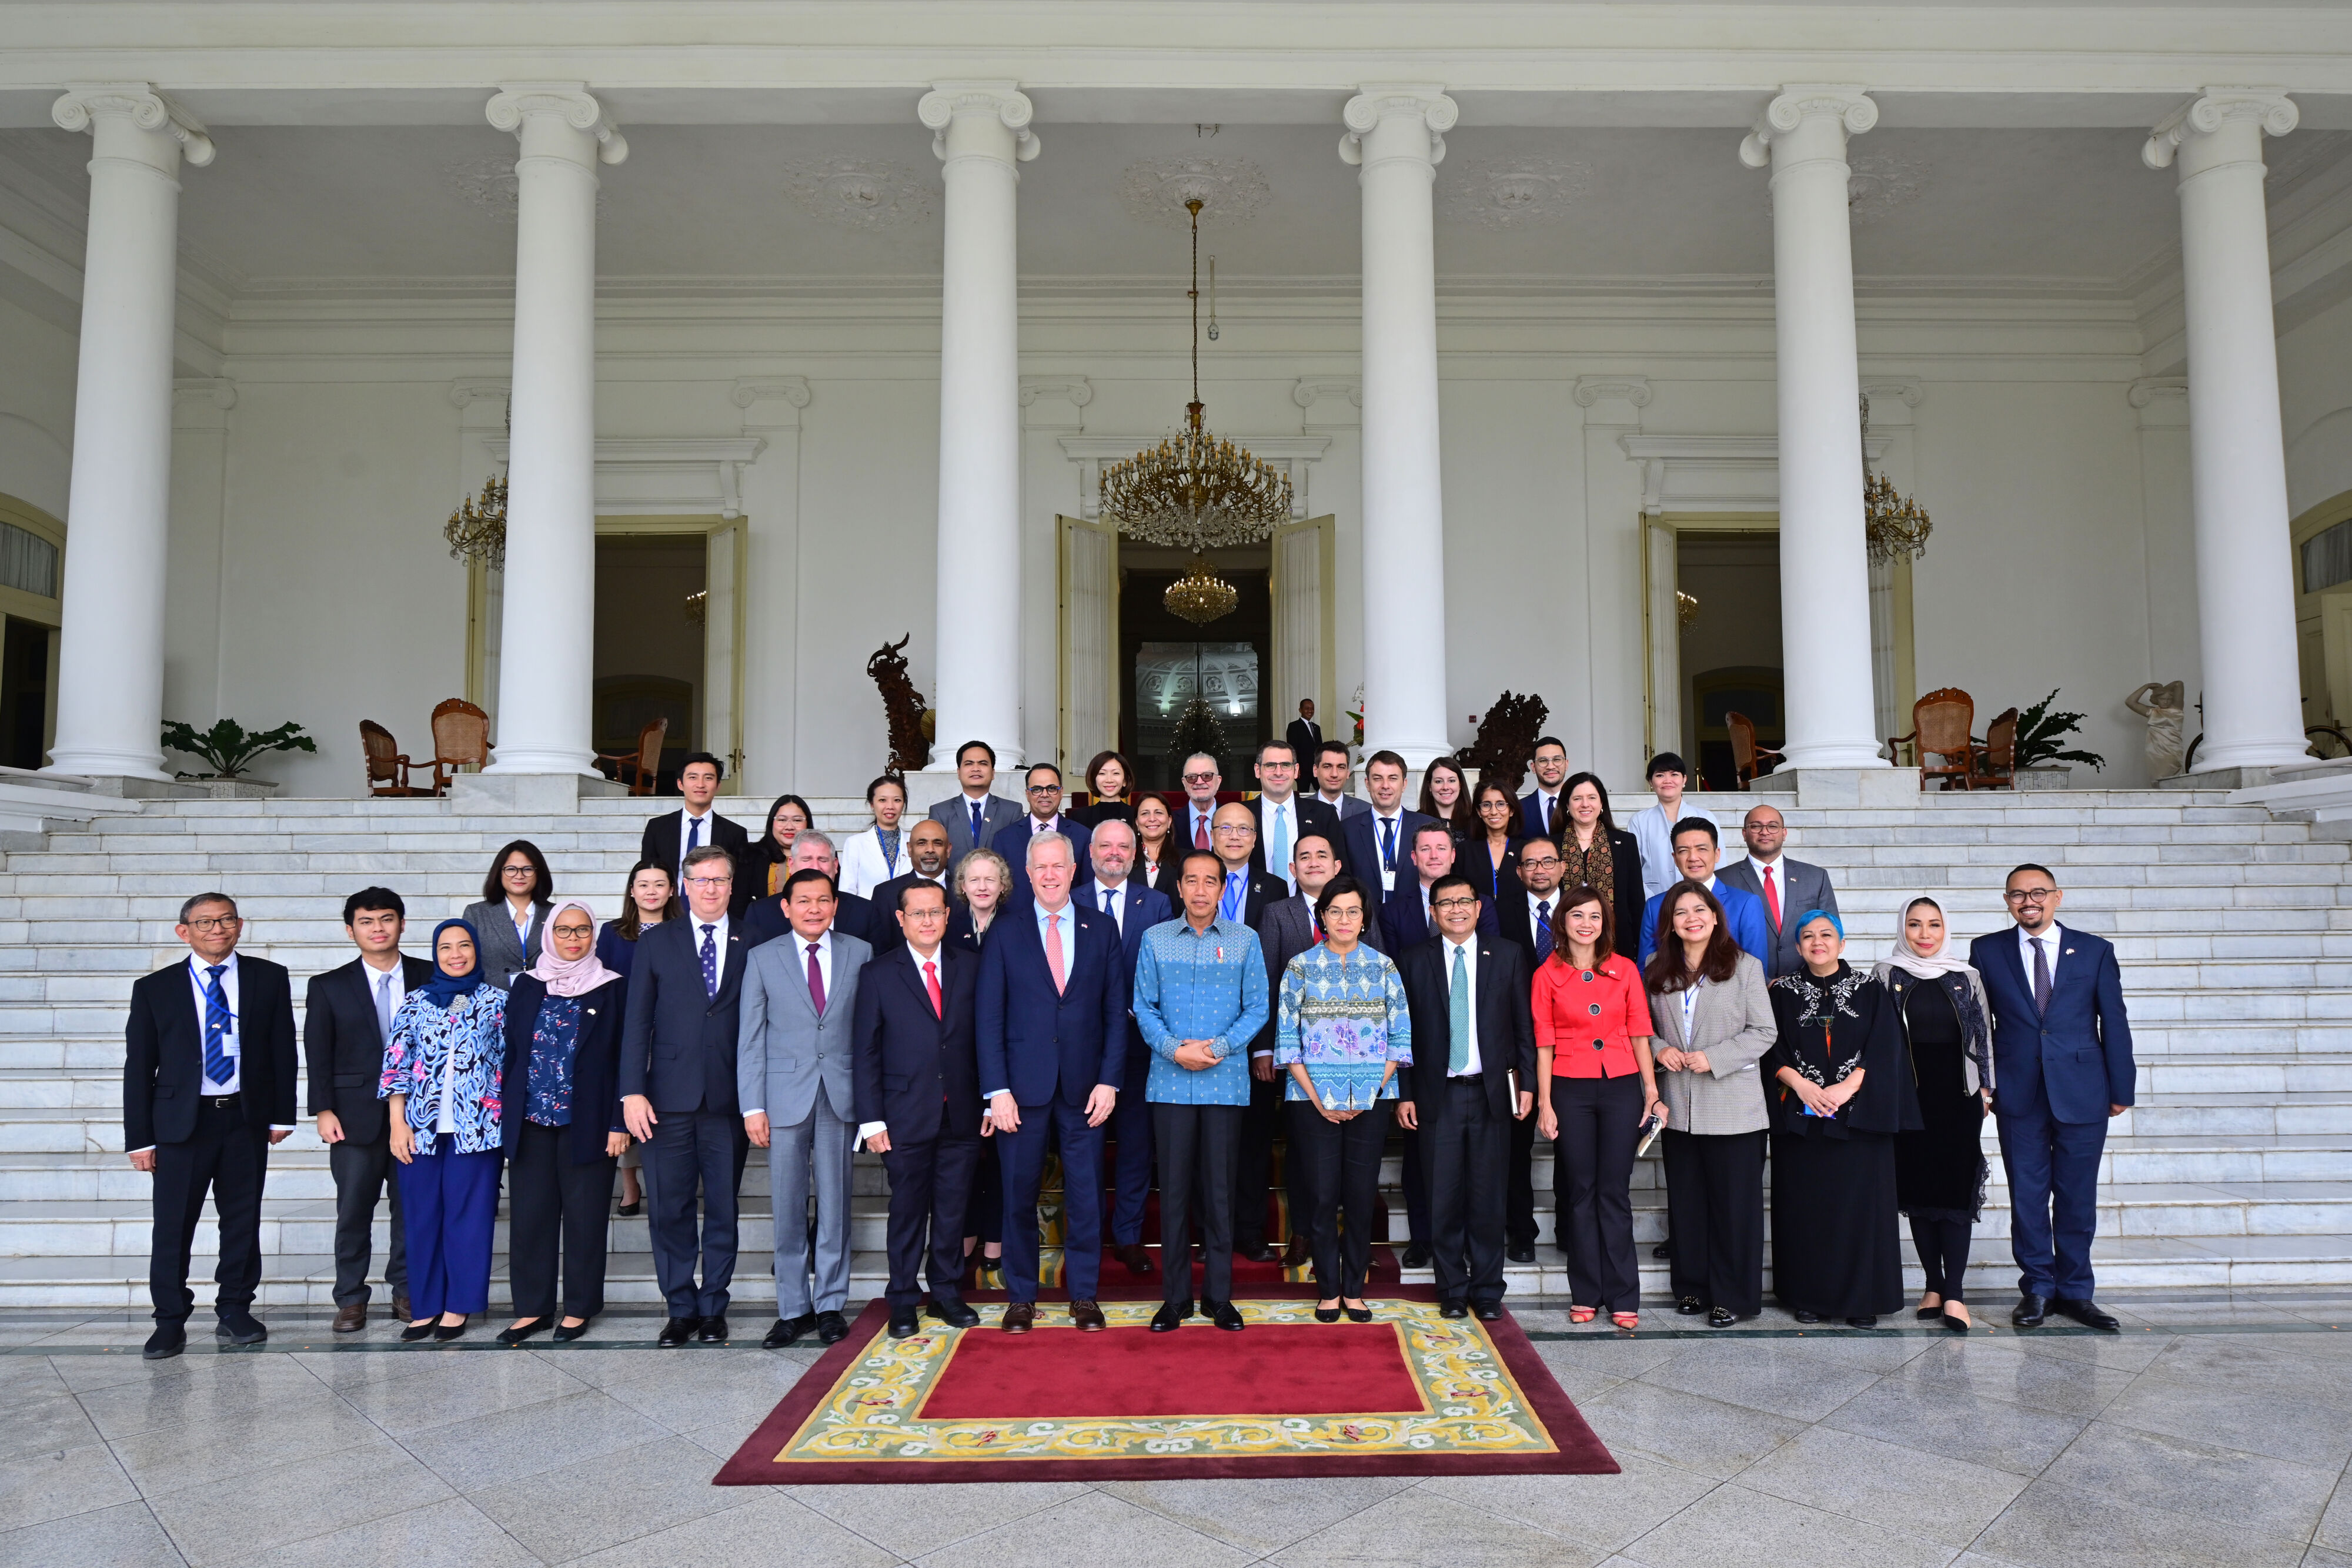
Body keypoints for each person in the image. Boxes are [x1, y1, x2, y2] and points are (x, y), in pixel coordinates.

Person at [126, 892, 296, 1360]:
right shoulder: (155, 988)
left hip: (245, 1116)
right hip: (182, 1124)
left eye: (225, 919)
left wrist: (283, 1113)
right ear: (185, 931)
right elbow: (139, 1067)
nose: (216, 928)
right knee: (173, 1225)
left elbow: (283, 1048)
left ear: (240, 924)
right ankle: (168, 1319)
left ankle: (236, 1309)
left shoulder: (268, 977)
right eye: (204, 921)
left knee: (242, 1219)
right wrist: (140, 1138)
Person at [1970, 864, 2134, 1332]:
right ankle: (2038, 1287)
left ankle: (2078, 1292)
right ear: (2007, 901)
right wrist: (1984, 1083)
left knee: (2077, 1196)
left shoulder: (2095, 950)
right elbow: (1979, 1023)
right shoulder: (1987, 950)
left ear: (2057, 897)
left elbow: (2114, 1021)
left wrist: (2122, 1086)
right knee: (2028, 1195)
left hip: (2084, 1089)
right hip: (2018, 1090)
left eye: (2038, 892)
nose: (2029, 901)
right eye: (2018, 894)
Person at [975, 832, 1125, 1332]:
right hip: (1021, 1090)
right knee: (1018, 1194)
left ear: (1073, 868)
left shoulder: (1102, 929)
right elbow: (988, 1017)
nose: (1049, 875)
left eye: (1057, 866)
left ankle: (1083, 1295)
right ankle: (1021, 1296)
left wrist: (1110, 1081)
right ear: (1029, 873)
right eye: (1039, 867)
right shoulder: (1005, 931)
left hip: (1086, 1090)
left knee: (1085, 1195)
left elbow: (1114, 1015)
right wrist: (996, 1091)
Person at [619, 844, 750, 1348]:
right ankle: (680, 1307)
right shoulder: (657, 942)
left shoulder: (752, 937)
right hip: (665, 1099)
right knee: (668, 1208)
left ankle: (714, 1306)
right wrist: (632, 1091)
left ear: (731, 885)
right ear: (684, 886)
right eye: (701, 880)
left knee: (722, 1207)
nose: (711, 889)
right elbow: (636, 1021)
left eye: (720, 880)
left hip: (729, 1097)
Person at [1135, 851, 1272, 1331]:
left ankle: (1219, 1296)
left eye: (1209, 881)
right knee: (1173, 1194)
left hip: (1224, 1081)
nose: (1199, 890)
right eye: (1190, 880)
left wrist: (1216, 1047)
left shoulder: (1244, 940)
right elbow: (1143, 1006)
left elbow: (1258, 1007)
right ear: (1179, 887)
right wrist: (1177, 1050)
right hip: (1171, 1082)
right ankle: (1175, 1300)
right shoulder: (1155, 939)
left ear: (1221, 888)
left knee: (1219, 1193)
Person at [1765, 911, 1919, 1328]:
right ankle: (1808, 1295)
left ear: (1842, 943)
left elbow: (1887, 1048)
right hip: (1802, 1119)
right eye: (1809, 936)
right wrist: (1802, 1085)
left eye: (1827, 934)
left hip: (1859, 1119)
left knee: (1861, 1209)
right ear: (1797, 948)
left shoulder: (1870, 989)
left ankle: (1862, 1297)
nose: (1818, 942)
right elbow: (1769, 1049)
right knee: (1806, 1209)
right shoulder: (1783, 993)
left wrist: (1846, 1087)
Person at [1394, 872, 1535, 1320]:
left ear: (1478, 908)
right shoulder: (1414, 960)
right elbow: (1403, 1035)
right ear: (1433, 912)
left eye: (1464, 901)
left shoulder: (1508, 955)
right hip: (1439, 1096)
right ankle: (1452, 1287)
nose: (1456, 909)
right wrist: (1405, 1093)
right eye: (1445, 903)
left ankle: (1489, 1289)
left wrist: (1527, 1085)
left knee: (1489, 1195)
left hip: (1494, 1093)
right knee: (1444, 1196)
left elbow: (1523, 1029)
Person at [741, 867, 870, 1349]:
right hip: (782, 1097)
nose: (814, 908)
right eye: (804, 900)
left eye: (823, 899)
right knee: (787, 1205)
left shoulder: (860, 952)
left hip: (841, 1093)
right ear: (786, 906)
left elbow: (869, 1031)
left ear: (834, 905)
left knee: (836, 1203)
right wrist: (752, 1105)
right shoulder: (761, 957)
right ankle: (793, 1308)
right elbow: (750, 1039)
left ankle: (831, 1303)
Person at [1274, 874, 1409, 1321]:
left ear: (1364, 917)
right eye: (1335, 911)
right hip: (1313, 1103)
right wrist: (1319, 1098)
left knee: (1360, 1193)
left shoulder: (1384, 967)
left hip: (1370, 1100)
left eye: (1353, 910)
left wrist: (1369, 1092)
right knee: (1321, 1194)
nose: (1345, 919)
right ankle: (1327, 1288)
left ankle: (1354, 1289)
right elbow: (1287, 1042)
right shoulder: (1300, 967)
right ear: (1322, 917)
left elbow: (1401, 1038)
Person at [853, 880, 984, 1338]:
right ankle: (903, 1298)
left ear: (949, 916)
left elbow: (985, 1038)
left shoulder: (971, 966)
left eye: (935, 912)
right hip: (903, 1114)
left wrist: (989, 1098)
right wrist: (871, 1119)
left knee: (952, 1210)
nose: (927, 921)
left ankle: (946, 1292)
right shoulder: (878, 973)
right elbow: (865, 1051)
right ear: (901, 919)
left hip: (962, 1112)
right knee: (908, 1211)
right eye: (918, 914)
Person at [1645, 881, 1775, 1327]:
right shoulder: (1656, 968)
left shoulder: (1745, 967)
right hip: (1679, 1106)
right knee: (1688, 1204)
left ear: (1716, 917)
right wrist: (1660, 1048)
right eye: (1681, 912)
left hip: (1734, 1108)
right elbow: (1642, 1028)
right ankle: (1692, 1288)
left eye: (1699, 909)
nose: (1691, 918)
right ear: (1671, 924)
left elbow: (1764, 1031)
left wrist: (1714, 1058)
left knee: (1733, 1209)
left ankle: (1731, 1296)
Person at [498, 900, 627, 1343]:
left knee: (585, 1218)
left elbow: (623, 1060)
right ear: (549, 934)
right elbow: (512, 1054)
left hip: (588, 1122)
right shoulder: (526, 986)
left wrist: (619, 1120)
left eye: (583, 930)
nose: (573, 939)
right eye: (565, 930)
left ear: (594, 935)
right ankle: (532, 1309)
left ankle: (578, 1307)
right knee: (530, 1219)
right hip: (531, 1120)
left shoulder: (611, 987)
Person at [1532, 884, 1659, 1329]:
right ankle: (1585, 1292)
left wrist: (1651, 1089)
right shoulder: (1546, 974)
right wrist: (1545, 1103)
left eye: (1595, 917)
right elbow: (1543, 1043)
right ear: (1562, 923)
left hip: (1621, 1084)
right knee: (1581, 1192)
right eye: (1577, 916)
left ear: (1604, 924)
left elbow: (1641, 1031)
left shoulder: (1625, 970)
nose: (1586, 924)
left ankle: (1624, 1295)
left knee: (1614, 1191)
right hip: (1570, 1088)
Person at [306, 887, 432, 1332]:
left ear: (402, 923)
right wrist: (323, 1109)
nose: (377, 928)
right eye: (366, 921)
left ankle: (407, 1289)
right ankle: (350, 1297)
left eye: (386, 918)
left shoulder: (431, 975)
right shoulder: (328, 985)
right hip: (352, 1116)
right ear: (350, 929)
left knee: (411, 1208)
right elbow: (318, 1052)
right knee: (354, 1209)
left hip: (419, 1116)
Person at [1873, 895, 1995, 1332]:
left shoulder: (1968, 976)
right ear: (1902, 928)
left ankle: (1956, 1294)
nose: (1925, 934)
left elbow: (1984, 1035)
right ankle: (1932, 1284)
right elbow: (1878, 1037)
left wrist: (1986, 1088)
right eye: (1915, 925)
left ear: (1946, 929)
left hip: (1958, 1097)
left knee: (1954, 1196)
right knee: (1920, 1196)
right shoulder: (1887, 974)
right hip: (1908, 1097)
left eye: (1934, 925)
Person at [382, 919, 507, 1343]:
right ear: (435, 953)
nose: (456, 954)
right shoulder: (416, 1002)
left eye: (465, 945)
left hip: (478, 1130)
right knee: (421, 1218)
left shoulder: (497, 1002)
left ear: (477, 949)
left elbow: (510, 1066)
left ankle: (459, 1305)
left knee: (468, 1219)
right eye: (446, 947)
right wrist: (398, 1123)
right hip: (420, 1129)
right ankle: (426, 1304)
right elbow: (396, 1064)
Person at [1249, 830, 1353, 1270]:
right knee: (1303, 1147)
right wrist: (1264, 1048)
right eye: (1303, 857)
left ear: (1336, 866)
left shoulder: (1356, 909)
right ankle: (1303, 1231)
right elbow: (1266, 983)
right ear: (1291, 869)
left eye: (1322, 854)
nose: (1313, 862)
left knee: (1346, 1147)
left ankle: (1346, 1234)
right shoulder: (1277, 912)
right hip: (1296, 1055)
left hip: (1351, 1054)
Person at [1074, 820, 1174, 1276]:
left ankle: (1129, 1236)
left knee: (1136, 1144)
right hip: (1079, 1046)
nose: (1114, 853)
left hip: (1138, 1045)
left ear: (1136, 855)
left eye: (1123, 846)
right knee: (1086, 1147)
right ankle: (1088, 1235)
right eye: (1106, 844)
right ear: (1090, 850)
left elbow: (1164, 971)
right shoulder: (1067, 901)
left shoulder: (1156, 903)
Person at [1495, 834, 1572, 1263]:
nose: (1540, 869)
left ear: (1562, 867)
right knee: (1516, 1142)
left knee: (1572, 1144)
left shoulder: (1583, 910)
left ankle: (1569, 1226)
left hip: (1576, 1042)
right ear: (1519, 871)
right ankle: (1520, 1230)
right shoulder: (1498, 912)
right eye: (1530, 863)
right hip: (1519, 1044)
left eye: (1548, 861)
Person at [594, 860, 676, 1218]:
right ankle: (630, 1185)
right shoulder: (613, 933)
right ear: (631, 891)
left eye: (659, 884)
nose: (652, 891)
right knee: (625, 1101)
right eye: (644, 885)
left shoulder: (683, 929)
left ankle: (668, 1180)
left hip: (672, 1030)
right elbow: (601, 979)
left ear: (672, 890)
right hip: (627, 1028)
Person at [950, 845, 1014, 1288]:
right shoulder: (948, 926)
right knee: (964, 1156)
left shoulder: (1018, 926)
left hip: (1007, 1059)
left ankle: (996, 1240)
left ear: (1003, 884)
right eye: (975, 879)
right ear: (963, 885)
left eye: (991, 879)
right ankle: (966, 1235)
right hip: (958, 1060)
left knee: (1002, 1160)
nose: (983, 886)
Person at [1718, 801, 1839, 978]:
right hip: (1745, 985)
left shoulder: (1815, 877)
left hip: (1807, 983)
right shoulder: (1723, 880)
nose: (1765, 832)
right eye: (1756, 826)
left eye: (1773, 826)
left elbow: (1832, 931)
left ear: (1784, 833)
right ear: (1744, 834)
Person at [1635, 818, 1769, 967]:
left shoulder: (1746, 904)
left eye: (1702, 849)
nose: (1693, 858)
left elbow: (1756, 969)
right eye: (1684, 851)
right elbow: (1646, 969)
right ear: (1675, 858)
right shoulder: (1655, 906)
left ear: (1717, 854)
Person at [641, 753, 749, 915]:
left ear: (718, 785)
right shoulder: (657, 828)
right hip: (668, 912)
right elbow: (648, 873)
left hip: (714, 912)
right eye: (693, 777)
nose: (700, 784)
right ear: (680, 784)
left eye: (708, 778)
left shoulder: (735, 833)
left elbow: (739, 885)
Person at [1558, 772, 1645, 964]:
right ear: (1567, 805)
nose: (1585, 804)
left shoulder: (1625, 842)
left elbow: (1636, 901)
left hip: (1619, 943)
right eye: (1577, 799)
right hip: (1565, 943)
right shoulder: (1553, 844)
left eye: (1591, 798)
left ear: (1602, 804)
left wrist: (1640, 945)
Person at [746, 831, 885, 950]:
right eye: (807, 859)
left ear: (835, 865)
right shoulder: (760, 913)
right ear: (792, 865)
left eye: (823, 860)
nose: (815, 867)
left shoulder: (865, 911)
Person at [1380, 821, 1501, 950]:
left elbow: (1492, 957)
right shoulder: (1392, 912)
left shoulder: (1482, 904)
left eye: (1441, 848)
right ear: (1414, 857)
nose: (1434, 856)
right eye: (1425, 849)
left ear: (1453, 855)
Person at [1341, 750, 1432, 915]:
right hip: (1365, 922)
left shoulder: (1427, 826)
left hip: (1415, 919)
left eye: (1393, 778)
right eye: (1378, 779)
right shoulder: (1347, 829)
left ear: (1404, 784)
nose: (1385, 786)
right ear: (1367, 784)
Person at [1247, 739, 1341, 893]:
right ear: (1258, 771)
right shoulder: (1242, 816)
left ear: (1296, 770)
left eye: (1286, 765)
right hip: (1255, 912)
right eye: (1270, 765)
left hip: (1310, 911)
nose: (1279, 772)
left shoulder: (1324, 814)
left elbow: (1340, 871)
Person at [1628, 753, 1718, 903]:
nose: (1667, 781)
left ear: (1684, 780)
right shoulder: (1639, 821)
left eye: (1674, 774)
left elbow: (1718, 864)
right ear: (1651, 781)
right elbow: (1632, 868)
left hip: (1701, 902)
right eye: (1660, 775)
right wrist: (1652, 901)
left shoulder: (1706, 817)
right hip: (1654, 900)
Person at [995, 762, 1092, 901]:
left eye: (1052, 788)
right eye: (1037, 789)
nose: (1045, 794)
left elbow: (1086, 890)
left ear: (1061, 792)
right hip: (1017, 920)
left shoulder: (1083, 836)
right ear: (1027, 794)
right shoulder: (1004, 838)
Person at [463, 839, 552, 988]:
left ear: (539, 873)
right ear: (499, 873)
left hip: (544, 1002)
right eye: (511, 869)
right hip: (492, 1004)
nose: (519, 876)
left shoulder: (556, 914)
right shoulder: (477, 913)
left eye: (528, 869)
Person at [930, 739, 1022, 872]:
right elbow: (936, 857)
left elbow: (1017, 857)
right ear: (959, 772)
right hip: (953, 889)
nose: (976, 769)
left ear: (993, 773)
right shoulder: (940, 812)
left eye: (983, 764)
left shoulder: (1012, 811)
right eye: (969, 764)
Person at [871, 818, 954, 954]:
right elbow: (880, 948)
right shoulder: (885, 894)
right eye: (922, 843)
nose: (930, 850)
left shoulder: (966, 891)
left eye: (938, 844)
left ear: (948, 850)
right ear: (910, 849)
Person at [1210, 801, 1286, 937]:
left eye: (1244, 829)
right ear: (1212, 836)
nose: (1234, 836)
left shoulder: (1276, 888)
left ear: (1254, 838)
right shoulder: (1191, 883)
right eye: (1226, 828)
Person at [837, 775, 916, 900]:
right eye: (882, 800)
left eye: (897, 800)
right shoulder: (855, 843)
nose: (890, 806)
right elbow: (847, 892)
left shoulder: (915, 841)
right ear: (872, 804)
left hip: (908, 915)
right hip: (868, 915)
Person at [740, 793, 814, 904]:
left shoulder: (823, 856)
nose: (789, 827)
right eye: (782, 820)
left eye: (797, 820)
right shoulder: (751, 855)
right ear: (772, 823)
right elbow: (740, 903)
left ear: (808, 824)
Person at [1468, 781, 1523, 903]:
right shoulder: (1465, 851)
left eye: (1501, 804)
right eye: (1486, 805)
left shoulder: (1525, 849)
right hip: (1478, 920)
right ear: (1479, 811)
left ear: (1512, 810)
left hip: (1517, 919)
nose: (1493, 812)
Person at [1134, 793, 1185, 901]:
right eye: (1145, 814)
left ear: (1169, 820)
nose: (1152, 819)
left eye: (1158, 813)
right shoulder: (1125, 860)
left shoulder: (1186, 860)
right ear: (1137, 822)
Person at [1519, 737, 1571, 838]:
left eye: (1557, 760)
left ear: (1566, 764)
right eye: (1543, 761)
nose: (1551, 766)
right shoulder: (1519, 809)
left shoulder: (1581, 805)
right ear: (1533, 767)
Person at [1071, 749, 1137, 829]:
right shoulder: (1079, 817)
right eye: (1102, 773)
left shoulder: (1136, 815)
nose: (1109, 780)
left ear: (1125, 781)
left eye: (1116, 773)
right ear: (1094, 780)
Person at [1312, 739, 1370, 821]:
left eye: (1341, 767)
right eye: (1327, 767)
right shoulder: (1299, 809)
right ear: (1315, 770)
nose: (1334, 774)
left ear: (1348, 772)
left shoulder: (1366, 811)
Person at [1178, 753, 1224, 854]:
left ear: (1219, 781)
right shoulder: (1171, 823)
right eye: (1192, 777)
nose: (1199, 782)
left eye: (1207, 776)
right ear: (1184, 783)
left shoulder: (1233, 818)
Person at [1418, 756, 1474, 838]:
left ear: (1460, 785)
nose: (1445, 787)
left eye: (1452, 781)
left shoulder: (1476, 821)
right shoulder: (1416, 821)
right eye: (1439, 781)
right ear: (1430, 786)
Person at [1286, 697, 1322, 767]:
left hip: (1316, 767)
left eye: (1312, 709)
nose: (1310, 711)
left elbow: (1320, 747)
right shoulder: (1294, 726)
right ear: (1300, 710)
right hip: (1302, 767)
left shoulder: (1317, 728)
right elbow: (1292, 748)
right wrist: (1295, 765)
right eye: (1307, 709)